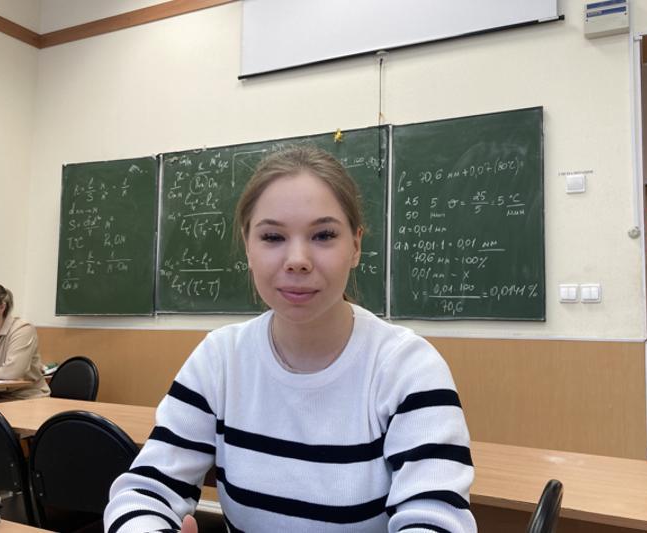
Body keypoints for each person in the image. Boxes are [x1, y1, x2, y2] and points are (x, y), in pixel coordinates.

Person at [104, 147, 476, 532]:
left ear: (355, 246)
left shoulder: (408, 368)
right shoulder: (220, 359)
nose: (297, 260)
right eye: (273, 236)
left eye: (323, 235)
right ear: (248, 247)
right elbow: (144, 492)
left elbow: (438, 520)